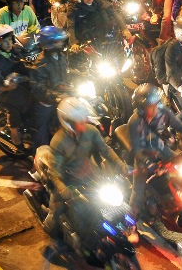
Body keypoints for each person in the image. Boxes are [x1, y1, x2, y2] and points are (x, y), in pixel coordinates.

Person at [43, 97, 126, 248]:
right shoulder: (58, 141)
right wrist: (62, 188)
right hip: (67, 181)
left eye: (84, 119)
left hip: (88, 175)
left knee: (110, 202)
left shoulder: (91, 131)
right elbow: (54, 172)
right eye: (79, 122)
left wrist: (121, 165)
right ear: (68, 123)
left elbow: (105, 150)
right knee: (58, 208)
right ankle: (50, 225)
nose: (84, 123)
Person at [123, 83, 182, 218]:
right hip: (144, 159)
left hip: (162, 149)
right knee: (137, 192)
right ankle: (130, 222)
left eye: (156, 104)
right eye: (151, 106)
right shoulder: (134, 122)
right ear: (141, 108)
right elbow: (137, 149)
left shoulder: (163, 111)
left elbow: (179, 126)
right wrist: (148, 163)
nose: (155, 108)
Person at [0, 25, 33, 150]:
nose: (9, 44)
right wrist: (8, 87)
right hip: (1, 94)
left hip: (18, 84)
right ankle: (14, 132)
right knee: (17, 100)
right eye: (5, 41)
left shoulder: (14, 51)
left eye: (10, 40)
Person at [30, 26, 71, 148]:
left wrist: (81, 75)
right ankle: (40, 155)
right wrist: (55, 96)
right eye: (58, 41)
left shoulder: (61, 56)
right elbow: (38, 88)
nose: (61, 43)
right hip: (46, 102)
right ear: (49, 44)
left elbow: (65, 72)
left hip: (62, 96)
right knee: (41, 132)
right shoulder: (40, 63)